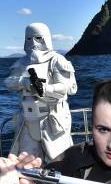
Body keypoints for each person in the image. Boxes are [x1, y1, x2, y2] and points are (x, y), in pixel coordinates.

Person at [5, 22, 77, 163]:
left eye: (37, 38)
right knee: (27, 162)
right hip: (28, 119)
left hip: (52, 120)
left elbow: (68, 87)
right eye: (29, 38)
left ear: (45, 38)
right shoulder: (22, 62)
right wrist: (23, 82)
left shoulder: (56, 60)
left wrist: (46, 88)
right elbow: (9, 82)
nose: (33, 42)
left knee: (58, 162)